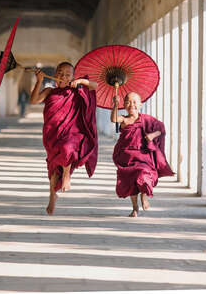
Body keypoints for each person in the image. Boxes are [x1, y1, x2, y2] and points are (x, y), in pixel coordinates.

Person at [30, 62, 98, 215]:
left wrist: (81, 82)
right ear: (54, 76)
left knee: (67, 148)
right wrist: (39, 81)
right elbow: (34, 101)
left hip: (71, 133)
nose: (63, 76)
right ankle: (52, 196)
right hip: (52, 134)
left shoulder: (77, 91)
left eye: (68, 74)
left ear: (73, 77)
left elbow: (95, 86)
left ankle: (66, 175)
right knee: (54, 169)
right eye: (60, 73)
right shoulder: (49, 91)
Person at [111, 92, 174, 217]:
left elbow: (161, 129)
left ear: (140, 104)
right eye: (128, 102)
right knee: (130, 183)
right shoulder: (124, 119)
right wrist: (115, 105)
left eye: (135, 102)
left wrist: (152, 135)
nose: (131, 104)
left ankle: (144, 196)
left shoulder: (147, 120)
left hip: (142, 155)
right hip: (126, 156)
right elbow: (113, 119)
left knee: (143, 174)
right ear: (124, 104)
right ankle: (135, 208)